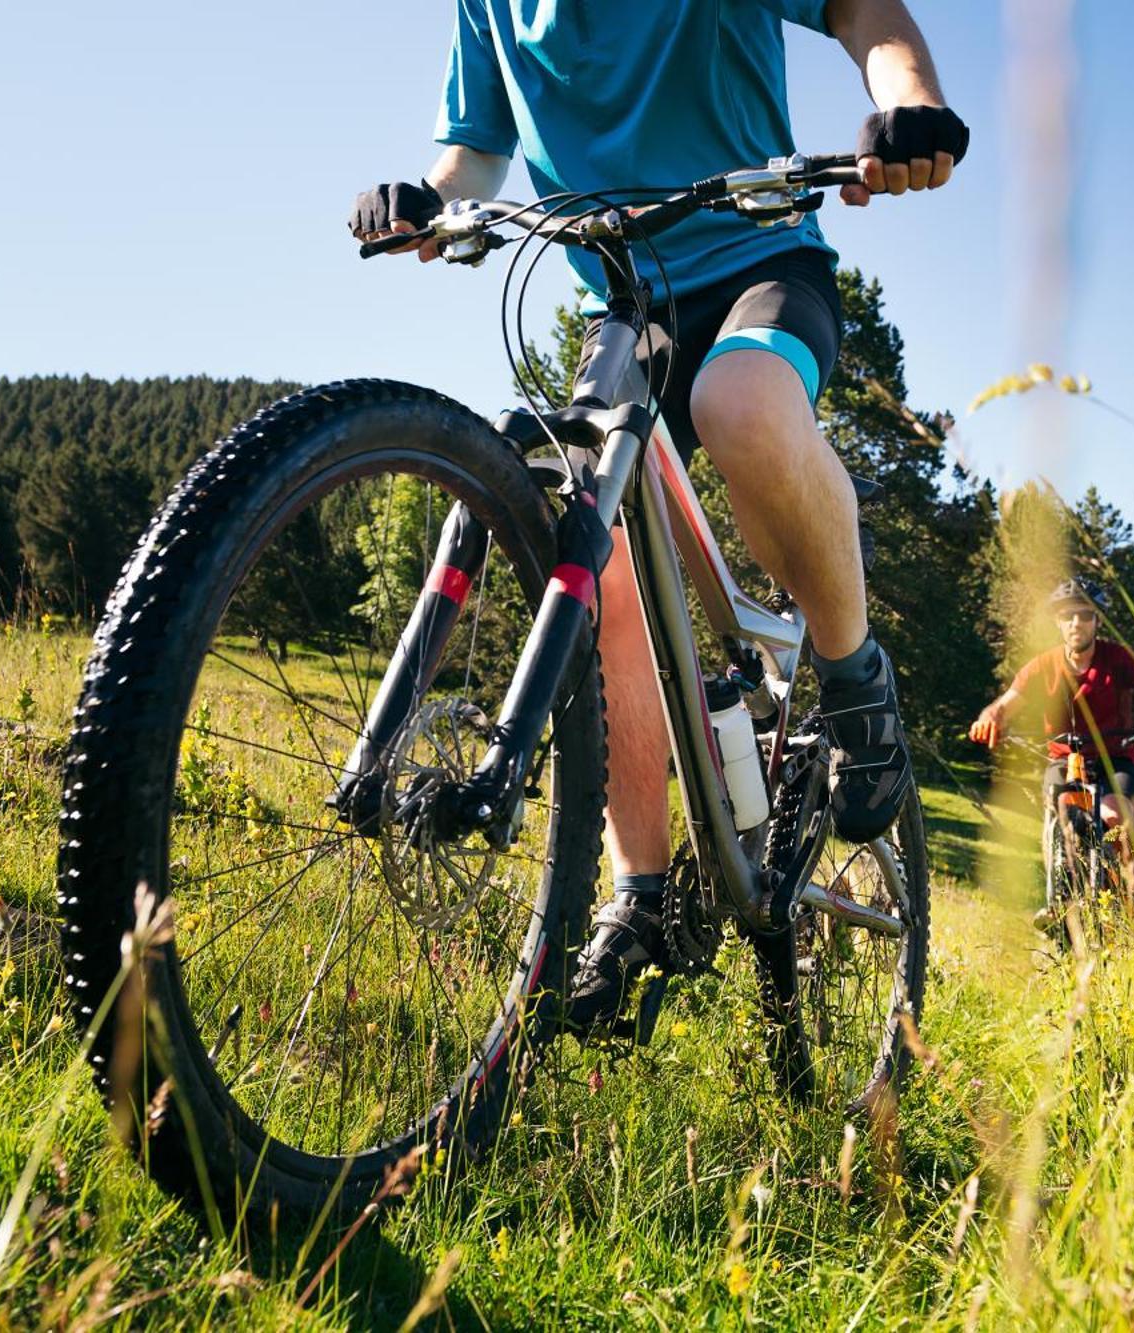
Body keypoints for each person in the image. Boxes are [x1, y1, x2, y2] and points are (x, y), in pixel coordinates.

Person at [349, 1, 969, 1030]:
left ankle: (854, 675)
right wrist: (427, 197)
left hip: (760, 265)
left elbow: (862, 11)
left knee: (739, 406)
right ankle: (636, 896)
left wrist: (908, 102)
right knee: (601, 564)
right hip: (625, 302)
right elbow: (473, 158)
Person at [969, 579, 1134, 870]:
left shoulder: (1119, 659)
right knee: (1057, 818)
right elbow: (1002, 707)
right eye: (1067, 615)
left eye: (1085, 615)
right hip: (1065, 759)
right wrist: (988, 721)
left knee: (1114, 815)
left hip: (1116, 758)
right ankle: (1057, 898)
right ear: (1058, 622)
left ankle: (1132, 888)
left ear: (1097, 621)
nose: (1076, 623)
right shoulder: (1042, 666)